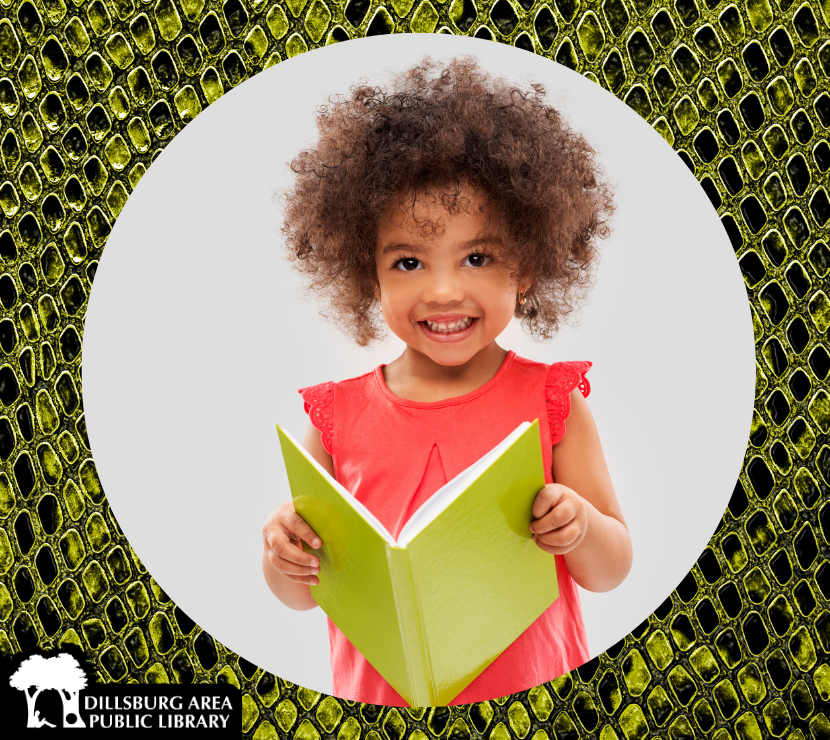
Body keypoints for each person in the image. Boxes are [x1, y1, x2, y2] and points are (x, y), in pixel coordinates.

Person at [261, 57, 632, 705]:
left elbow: (612, 568)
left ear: (524, 267)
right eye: (408, 261)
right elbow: (301, 593)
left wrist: (581, 528)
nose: (442, 290)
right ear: (369, 277)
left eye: (478, 257)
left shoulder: (552, 402)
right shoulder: (333, 418)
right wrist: (283, 556)